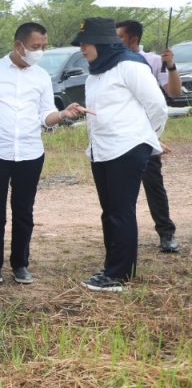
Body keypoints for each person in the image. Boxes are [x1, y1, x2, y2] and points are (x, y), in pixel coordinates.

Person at [0, 23, 84, 285]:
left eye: (43, 46)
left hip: (29, 152)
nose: (40, 51)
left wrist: (63, 114)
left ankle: (20, 263)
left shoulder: (41, 76)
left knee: (24, 211)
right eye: (35, 47)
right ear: (19, 45)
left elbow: (45, 115)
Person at [68, 18, 167, 292]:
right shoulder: (95, 72)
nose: (82, 50)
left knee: (120, 212)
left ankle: (118, 275)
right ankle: (115, 265)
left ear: (101, 42)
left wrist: (148, 138)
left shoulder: (130, 65)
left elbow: (157, 105)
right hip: (101, 150)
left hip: (128, 148)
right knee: (110, 212)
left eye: (85, 44)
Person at [116, 20, 180, 253]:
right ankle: (120, 237)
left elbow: (172, 93)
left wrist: (170, 66)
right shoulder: (113, 63)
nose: (115, 41)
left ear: (132, 39)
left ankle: (166, 233)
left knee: (153, 184)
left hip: (145, 135)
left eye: (119, 37)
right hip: (119, 135)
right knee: (118, 189)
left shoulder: (153, 61)